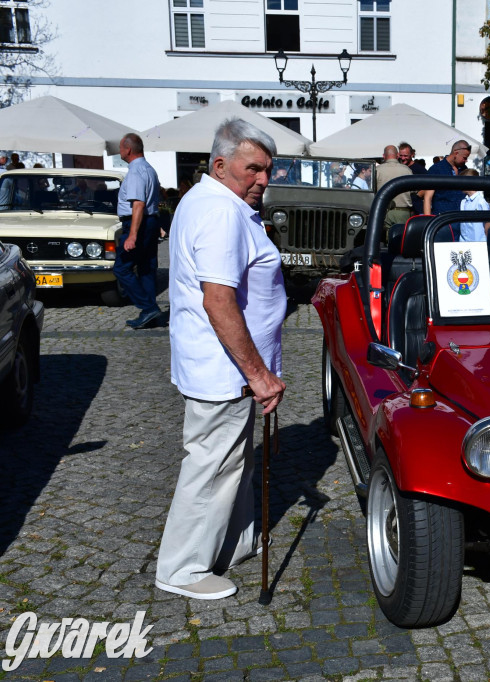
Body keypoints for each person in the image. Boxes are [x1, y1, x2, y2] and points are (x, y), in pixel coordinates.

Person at [155, 118, 286, 600]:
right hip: (224, 368)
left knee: (232, 463)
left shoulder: (212, 201)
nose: (263, 179)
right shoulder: (219, 212)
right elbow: (218, 300)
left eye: (268, 170)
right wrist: (259, 374)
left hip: (225, 367)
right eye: (253, 168)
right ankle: (182, 568)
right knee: (211, 465)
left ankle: (232, 542)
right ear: (219, 164)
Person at [114, 133, 163, 329]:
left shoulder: (135, 171)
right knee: (146, 268)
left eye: (120, 148)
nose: (119, 152)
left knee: (121, 268)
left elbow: (138, 204)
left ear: (128, 149)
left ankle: (148, 307)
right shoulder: (149, 169)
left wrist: (132, 235)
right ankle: (149, 314)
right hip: (150, 221)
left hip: (138, 223)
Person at [423, 141, 471, 215]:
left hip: (461, 219)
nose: (466, 161)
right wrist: (428, 220)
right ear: (456, 153)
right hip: (442, 220)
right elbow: (427, 197)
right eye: (464, 158)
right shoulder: (436, 169)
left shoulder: (464, 169)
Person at [374, 145, 413, 230]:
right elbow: (414, 191)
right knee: (401, 239)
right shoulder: (407, 170)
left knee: (382, 239)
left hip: (382, 211)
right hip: (403, 212)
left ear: (384, 156)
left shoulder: (377, 170)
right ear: (398, 155)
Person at [458, 168, 489, 241]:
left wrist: (487, 244)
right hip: (464, 243)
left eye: (461, 182)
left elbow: (487, 223)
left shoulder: (480, 202)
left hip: (478, 243)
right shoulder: (463, 202)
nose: (458, 185)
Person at [398, 141, 426, 215]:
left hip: (416, 209)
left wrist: (417, 195)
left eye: (405, 155)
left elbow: (429, 186)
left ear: (412, 154)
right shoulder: (399, 168)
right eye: (401, 155)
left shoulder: (419, 169)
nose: (403, 158)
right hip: (402, 209)